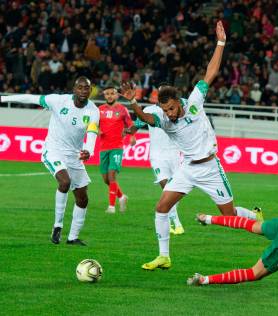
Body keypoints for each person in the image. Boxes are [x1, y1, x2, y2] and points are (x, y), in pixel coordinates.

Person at [119, 21, 262, 270]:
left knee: (229, 217)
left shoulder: (195, 100)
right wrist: (134, 103)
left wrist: (220, 43)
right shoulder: (163, 118)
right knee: (162, 207)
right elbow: (145, 119)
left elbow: (211, 72)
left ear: (179, 101)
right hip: (188, 169)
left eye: (171, 108)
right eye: (165, 110)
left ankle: (254, 215)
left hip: (210, 168)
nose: (169, 114)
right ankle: (164, 256)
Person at [0, 77, 99, 246]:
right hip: (53, 150)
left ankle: (72, 237)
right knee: (65, 182)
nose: (83, 91)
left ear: (90, 91)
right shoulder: (58, 100)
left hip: (74, 155)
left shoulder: (93, 111)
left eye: (87, 88)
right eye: (80, 87)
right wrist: (3, 98)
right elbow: (30, 98)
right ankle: (57, 226)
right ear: (74, 89)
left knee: (83, 199)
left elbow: (92, 132)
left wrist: (88, 150)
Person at [125, 105, 184, 235]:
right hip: (157, 156)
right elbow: (139, 123)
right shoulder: (149, 110)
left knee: (174, 191)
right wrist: (131, 131)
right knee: (166, 188)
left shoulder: (176, 108)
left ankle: (173, 221)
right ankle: (177, 223)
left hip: (174, 154)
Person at [98, 86, 135, 214]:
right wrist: (96, 130)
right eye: (107, 94)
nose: (109, 96)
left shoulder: (122, 109)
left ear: (117, 95)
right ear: (104, 95)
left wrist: (132, 136)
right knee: (106, 179)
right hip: (103, 148)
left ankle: (111, 206)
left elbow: (130, 124)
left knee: (112, 174)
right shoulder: (99, 110)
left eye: (112, 94)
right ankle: (121, 196)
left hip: (117, 147)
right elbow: (92, 124)